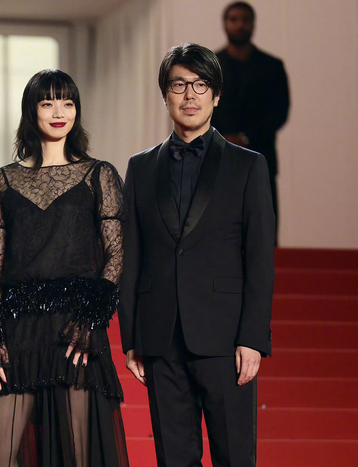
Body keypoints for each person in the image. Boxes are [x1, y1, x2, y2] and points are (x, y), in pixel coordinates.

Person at [120, 43, 275, 467]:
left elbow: (259, 258)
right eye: (179, 85)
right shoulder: (140, 167)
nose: (189, 95)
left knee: (234, 456)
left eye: (201, 85)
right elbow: (131, 254)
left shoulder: (248, 166)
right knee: (173, 458)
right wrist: (132, 338)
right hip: (160, 337)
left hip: (226, 339)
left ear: (216, 95)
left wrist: (252, 338)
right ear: (165, 95)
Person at [0, 69, 129, 467]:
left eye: (68, 103)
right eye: (48, 103)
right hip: (18, 327)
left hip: (76, 326)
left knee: (78, 453)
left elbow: (116, 254)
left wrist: (91, 317)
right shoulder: (3, 181)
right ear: (32, 111)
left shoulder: (99, 174)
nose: (59, 112)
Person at [211, 1, 290, 240]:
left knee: (263, 229)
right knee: (219, 229)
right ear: (224, 24)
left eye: (245, 20)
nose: (240, 25)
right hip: (218, 159)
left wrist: (246, 137)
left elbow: (279, 111)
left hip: (260, 156)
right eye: (234, 19)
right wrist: (223, 137)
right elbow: (198, 108)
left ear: (253, 24)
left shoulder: (272, 66)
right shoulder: (210, 67)